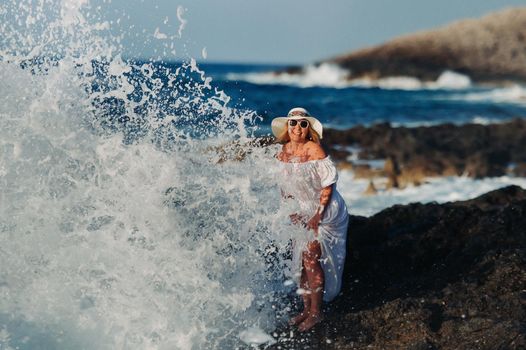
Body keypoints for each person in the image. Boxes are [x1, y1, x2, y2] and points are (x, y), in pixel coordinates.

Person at [272, 107, 349, 332]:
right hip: (304, 209)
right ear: (287, 127)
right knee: (303, 260)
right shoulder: (283, 152)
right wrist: (291, 210)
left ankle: (316, 314)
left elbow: (329, 184)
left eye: (303, 123)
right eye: (293, 123)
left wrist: (318, 214)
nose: (298, 127)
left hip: (326, 209)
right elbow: (284, 187)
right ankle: (307, 309)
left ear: (309, 128)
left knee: (310, 257)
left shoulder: (314, 149)